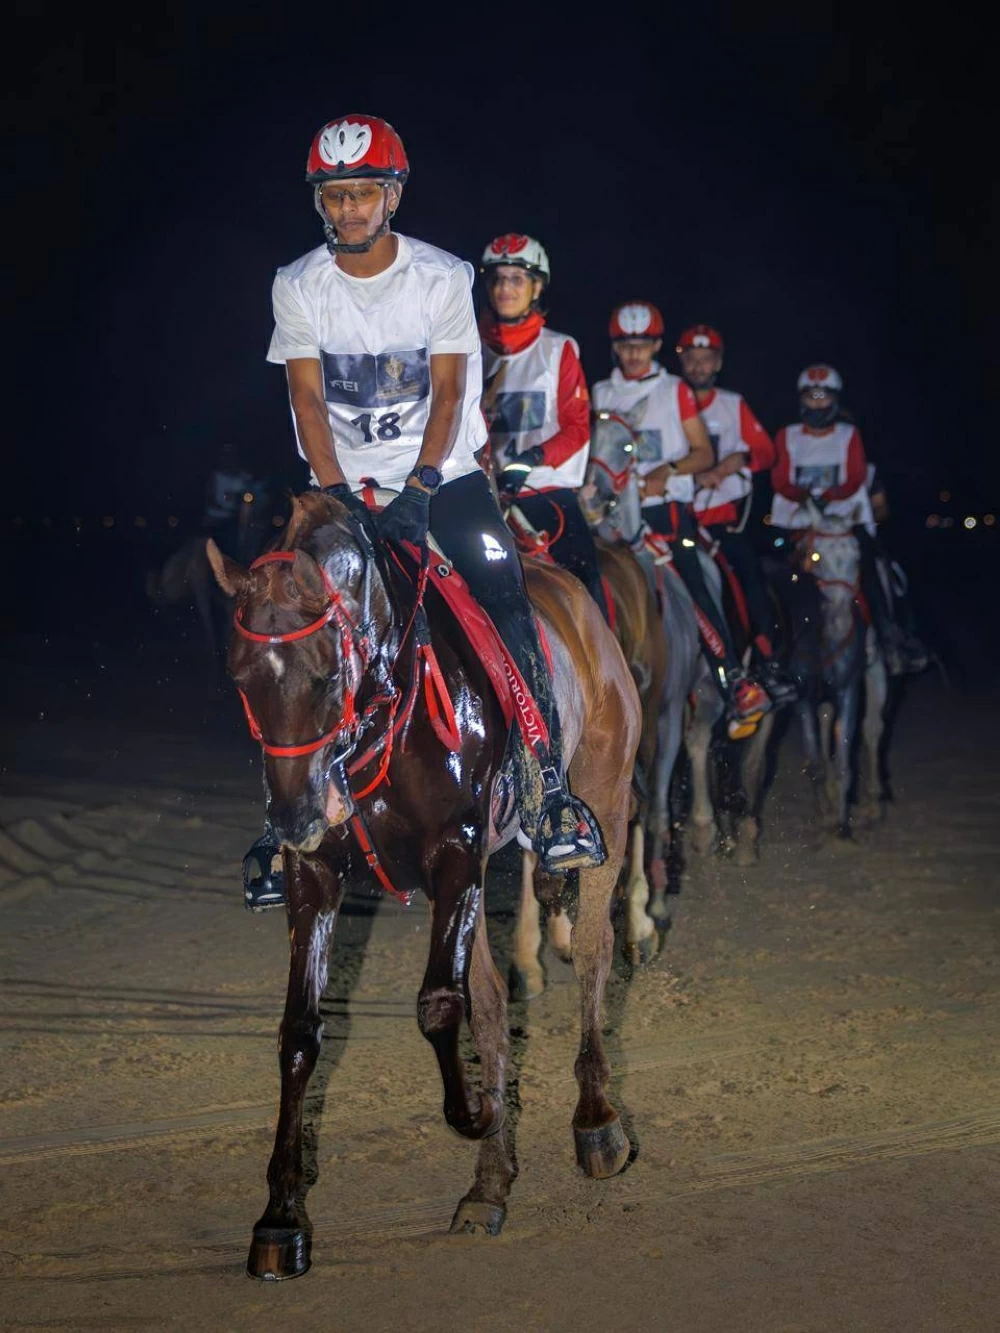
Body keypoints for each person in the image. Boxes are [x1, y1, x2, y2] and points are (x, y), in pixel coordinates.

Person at [242, 113, 606, 910]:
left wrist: (418, 491)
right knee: (279, 624)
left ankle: (548, 790)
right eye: (335, 196)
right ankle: (282, 821)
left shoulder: (441, 277)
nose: (349, 210)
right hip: (341, 486)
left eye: (363, 193)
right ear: (321, 201)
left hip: (441, 482)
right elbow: (306, 397)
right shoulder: (297, 284)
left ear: (392, 195)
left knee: (503, 586)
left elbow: (447, 394)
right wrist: (336, 496)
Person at [591, 301, 772, 738]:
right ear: (616, 348)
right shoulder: (600, 393)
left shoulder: (675, 390)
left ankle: (734, 681)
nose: (634, 354)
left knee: (694, 588)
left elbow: (704, 453)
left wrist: (666, 471)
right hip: (610, 524)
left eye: (643, 345)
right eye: (626, 346)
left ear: (656, 345)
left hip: (668, 518)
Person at [478, 233, 608, 619]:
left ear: (536, 287)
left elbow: (576, 428)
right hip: (483, 495)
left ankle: (605, 673)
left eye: (516, 279)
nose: (504, 288)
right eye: (497, 279)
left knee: (584, 578)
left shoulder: (558, 349)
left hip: (544, 490)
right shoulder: (466, 347)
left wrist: (532, 457)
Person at [769, 364, 927, 675]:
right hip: (798, 527)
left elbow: (855, 477)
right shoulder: (787, 436)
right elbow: (780, 479)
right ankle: (768, 656)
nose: (817, 403)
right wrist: (804, 498)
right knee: (770, 576)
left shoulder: (849, 435)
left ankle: (892, 638)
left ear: (835, 399)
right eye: (811, 396)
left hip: (844, 529)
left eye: (823, 396)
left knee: (875, 573)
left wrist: (827, 498)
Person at [677, 324, 798, 706]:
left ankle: (766, 663)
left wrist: (736, 460)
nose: (698, 366)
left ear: (718, 362)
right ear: (681, 360)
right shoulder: (668, 400)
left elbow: (766, 453)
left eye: (705, 359)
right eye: (691, 359)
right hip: (673, 519)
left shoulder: (732, 404)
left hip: (720, 520)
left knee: (751, 577)